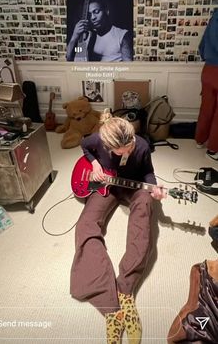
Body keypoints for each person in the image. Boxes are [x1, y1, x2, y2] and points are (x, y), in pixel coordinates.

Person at [70, 110, 166, 343]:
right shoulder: (97, 140)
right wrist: (94, 164)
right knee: (85, 225)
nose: (128, 151)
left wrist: (153, 188)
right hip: (107, 185)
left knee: (144, 215)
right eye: (121, 151)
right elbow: (84, 145)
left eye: (130, 146)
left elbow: (148, 171)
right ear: (106, 144)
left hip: (134, 186)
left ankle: (125, 290)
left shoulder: (141, 145)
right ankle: (110, 307)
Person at [66, 0, 133, 62]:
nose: (92, 17)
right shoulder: (87, 37)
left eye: (96, 12)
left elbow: (128, 67)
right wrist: (74, 37)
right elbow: (70, 58)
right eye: (89, 14)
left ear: (107, 11)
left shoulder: (121, 35)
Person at [195, 9, 218, 161]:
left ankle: (200, 139)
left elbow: (202, 45)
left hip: (209, 69)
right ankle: (213, 149)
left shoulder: (214, 16)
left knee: (207, 107)